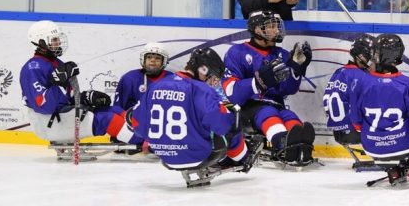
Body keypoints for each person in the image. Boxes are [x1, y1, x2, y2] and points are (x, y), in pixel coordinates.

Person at [129, 47, 253, 174]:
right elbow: (222, 125)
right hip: (198, 157)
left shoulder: (155, 86)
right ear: (203, 70)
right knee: (232, 123)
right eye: (213, 78)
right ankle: (243, 158)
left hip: (166, 158)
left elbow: (136, 125)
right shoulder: (202, 90)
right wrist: (232, 115)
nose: (212, 83)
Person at [19, 20, 137, 145]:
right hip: (50, 123)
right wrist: (58, 83)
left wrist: (85, 98)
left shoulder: (57, 63)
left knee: (114, 110)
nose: (58, 43)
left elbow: (66, 98)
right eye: (54, 39)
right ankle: (143, 143)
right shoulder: (32, 68)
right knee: (107, 119)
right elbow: (43, 106)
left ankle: (141, 135)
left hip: (62, 116)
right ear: (41, 42)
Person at [222, 10, 315, 164]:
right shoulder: (236, 52)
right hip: (249, 108)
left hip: (277, 105)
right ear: (257, 29)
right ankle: (282, 143)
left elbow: (289, 89)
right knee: (268, 113)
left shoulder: (283, 54)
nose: (276, 30)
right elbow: (232, 92)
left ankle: (300, 145)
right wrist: (258, 82)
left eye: (277, 26)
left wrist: (296, 69)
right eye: (271, 26)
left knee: (289, 115)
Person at [348, 33, 409, 171]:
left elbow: (357, 124)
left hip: (371, 148)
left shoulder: (358, 84)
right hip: (403, 147)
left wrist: (378, 138)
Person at [323, 33, 375, 144]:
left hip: (338, 133)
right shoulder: (362, 76)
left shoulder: (338, 72)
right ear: (360, 56)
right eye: (370, 56)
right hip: (357, 132)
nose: (372, 60)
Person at [114, 42, 173, 111]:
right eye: (149, 57)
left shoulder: (173, 80)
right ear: (143, 59)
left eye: (157, 58)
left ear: (164, 61)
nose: (153, 60)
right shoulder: (129, 79)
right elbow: (118, 110)